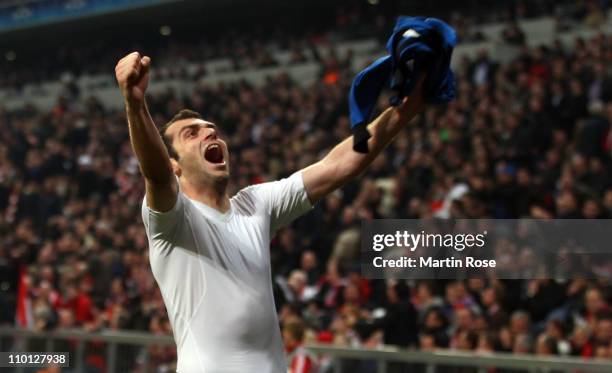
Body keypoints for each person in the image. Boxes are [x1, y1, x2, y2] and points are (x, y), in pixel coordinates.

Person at [114, 51, 425, 372]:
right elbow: (155, 173)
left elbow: (341, 163)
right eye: (191, 133)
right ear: (174, 165)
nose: (210, 133)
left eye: (211, 129)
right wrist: (135, 106)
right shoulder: (173, 219)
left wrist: (409, 105)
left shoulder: (255, 205)